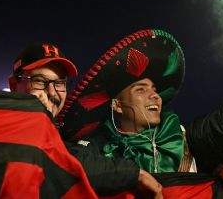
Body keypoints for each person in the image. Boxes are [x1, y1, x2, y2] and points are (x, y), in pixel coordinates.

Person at [58, 27, 223, 180]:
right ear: (117, 105)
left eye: (155, 89)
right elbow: (64, 164)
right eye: (141, 89)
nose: (155, 96)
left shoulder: (185, 138)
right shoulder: (96, 149)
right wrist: (135, 176)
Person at [9, 43, 163, 198]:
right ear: (14, 86)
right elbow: (55, 160)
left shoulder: (70, 142)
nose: (52, 92)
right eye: (39, 81)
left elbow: (72, 158)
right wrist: (135, 174)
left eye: (59, 83)